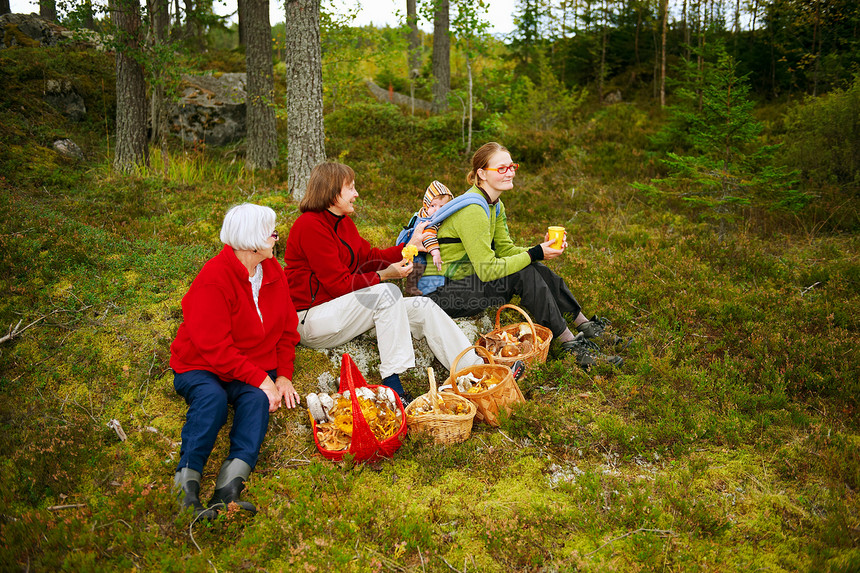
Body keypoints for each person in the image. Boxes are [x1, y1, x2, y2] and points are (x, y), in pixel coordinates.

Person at [283, 162, 483, 403]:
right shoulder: (309, 226)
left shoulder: (343, 222)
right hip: (311, 320)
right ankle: (393, 385)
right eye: (351, 188)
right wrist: (386, 275)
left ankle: (474, 371)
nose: (356, 194)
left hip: (342, 311)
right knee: (385, 292)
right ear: (333, 192)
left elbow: (368, 257)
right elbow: (338, 285)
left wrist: (407, 248)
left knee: (423, 307)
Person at [423, 142, 624, 368]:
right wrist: (535, 252)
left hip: (468, 282)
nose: (510, 173)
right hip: (443, 295)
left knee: (535, 268)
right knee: (524, 273)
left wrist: (541, 249)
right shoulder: (473, 210)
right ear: (481, 173)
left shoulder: (494, 205)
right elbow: (487, 269)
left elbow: (506, 250)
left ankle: (586, 326)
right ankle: (571, 347)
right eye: (501, 169)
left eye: (512, 167)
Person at [170, 203, 301, 520]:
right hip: (200, 364)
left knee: (257, 402)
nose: (276, 238)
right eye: (271, 233)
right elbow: (214, 347)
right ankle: (185, 491)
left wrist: (281, 376)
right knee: (212, 400)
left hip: (250, 366)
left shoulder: (273, 273)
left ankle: (228, 491)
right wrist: (262, 379)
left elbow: (287, 330)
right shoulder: (214, 277)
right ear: (253, 240)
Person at [403, 180, 454, 296]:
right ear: (426, 205)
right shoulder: (429, 221)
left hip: (411, 247)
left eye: (442, 206)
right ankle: (411, 286)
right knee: (419, 264)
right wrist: (435, 252)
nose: (437, 210)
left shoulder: (424, 213)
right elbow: (428, 236)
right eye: (433, 205)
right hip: (416, 250)